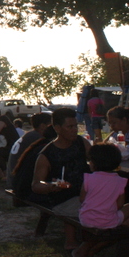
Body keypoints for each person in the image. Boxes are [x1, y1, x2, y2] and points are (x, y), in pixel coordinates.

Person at [32, 107, 92, 249]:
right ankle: (79, 245)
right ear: (57, 128)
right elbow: (36, 184)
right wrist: (52, 186)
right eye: (70, 127)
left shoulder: (81, 143)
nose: (74, 130)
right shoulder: (47, 154)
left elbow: (97, 161)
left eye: (76, 126)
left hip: (85, 194)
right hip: (63, 198)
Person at [71, 145, 129, 257]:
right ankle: (123, 222)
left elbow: (82, 199)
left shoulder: (88, 178)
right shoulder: (120, 181)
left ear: (93, 163)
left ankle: (86, 253)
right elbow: (119, 205)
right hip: (108, 220)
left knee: (107, 217)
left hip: (86, 218)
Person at [7, 113, 52, 191]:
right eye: (51, 125)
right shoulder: (38, 139)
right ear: (42, 126)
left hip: (13, 178)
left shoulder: (30, 135)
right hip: (20, 181)